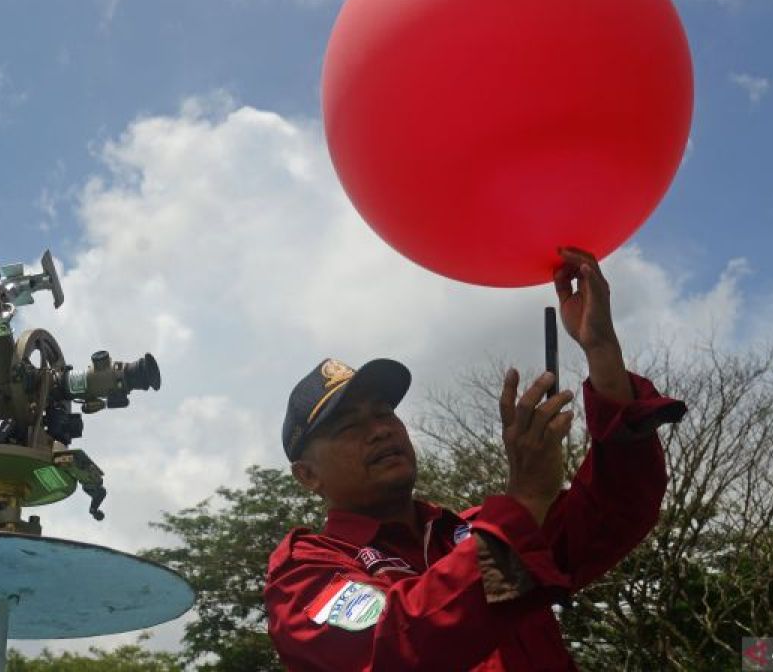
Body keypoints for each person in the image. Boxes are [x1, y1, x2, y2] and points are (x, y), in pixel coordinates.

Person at [264, 248, 686, 671]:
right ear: (307, 475)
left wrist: (602, 352)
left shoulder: (479, 528)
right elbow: (393, 646)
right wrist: (523, 501)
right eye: (348, 427)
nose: (380, 429)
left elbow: (617, 511)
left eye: (384, 412)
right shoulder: (306, 569)